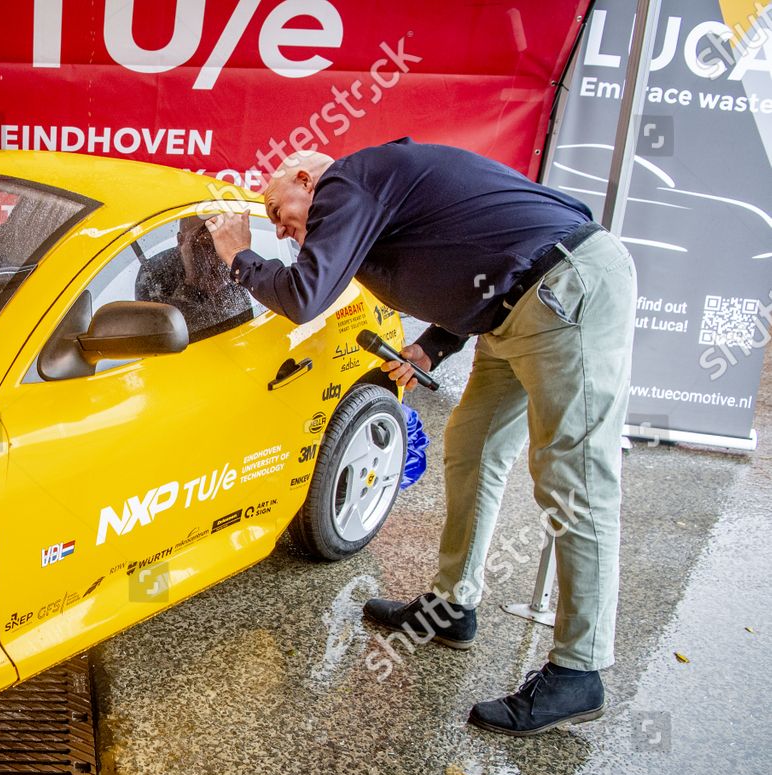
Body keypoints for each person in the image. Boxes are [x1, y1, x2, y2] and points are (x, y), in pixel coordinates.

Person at [206, 138, 637, 737]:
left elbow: (305, 295)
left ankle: (579, 670)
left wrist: (237, 255)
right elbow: (477, 251)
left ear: (306, 181)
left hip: (565, 293)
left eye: (281, 215)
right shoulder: (373, 190)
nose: (283, 233)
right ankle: (453, 604)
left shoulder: (347, 183)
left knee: (575, 478)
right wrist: (434, 344)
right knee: (472, 450)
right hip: (514, 307)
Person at [136, 217, 252, 335]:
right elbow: (165, 333)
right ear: (180, 240)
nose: (211, 254)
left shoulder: (230, 263)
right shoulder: (154, 275)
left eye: (218, 238)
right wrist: (192, 281)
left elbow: (245, 321)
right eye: (202, 243)